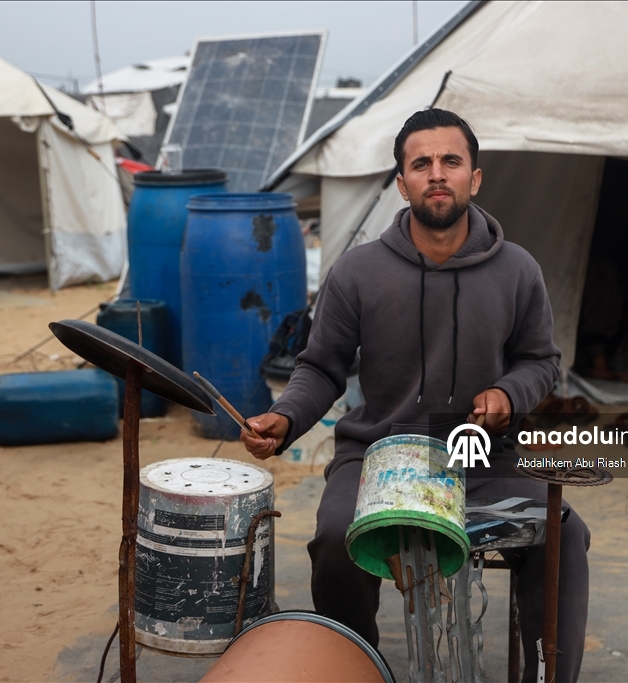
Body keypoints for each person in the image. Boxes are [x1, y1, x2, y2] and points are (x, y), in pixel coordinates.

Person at [241, 109, 590, 683]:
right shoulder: (357, 272)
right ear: (401, 184)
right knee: (334, 540)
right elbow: (321, 367)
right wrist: (285, 416)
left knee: (564, 534)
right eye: (420, 163)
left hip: (484, 457)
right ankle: (357, 671)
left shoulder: (518, 270)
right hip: (380, 452)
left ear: (475, 177)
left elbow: (541, 362)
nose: (436, 174)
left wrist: (508, 394)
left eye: (451, 161)